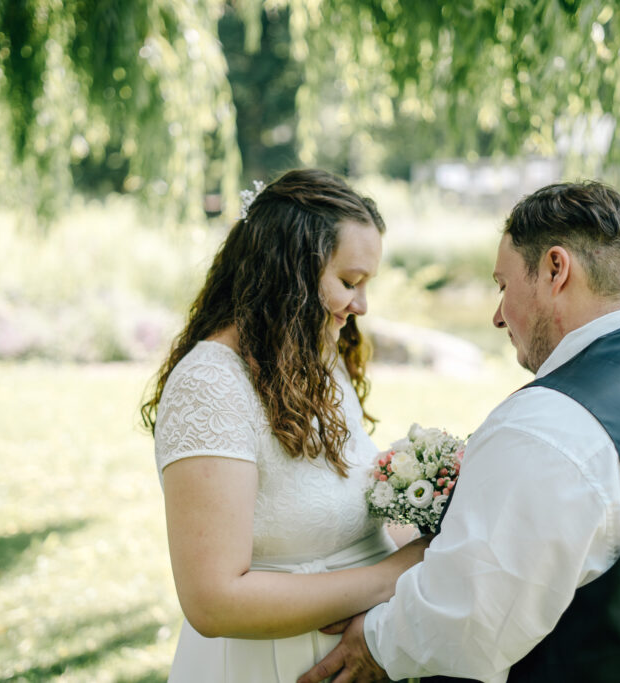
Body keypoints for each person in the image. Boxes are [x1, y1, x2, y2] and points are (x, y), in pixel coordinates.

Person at [299, 181, 620, 683]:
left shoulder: (548, 423)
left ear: (555, 270)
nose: (497, 316)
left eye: (503, 285)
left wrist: (376, 642)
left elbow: (470, 619)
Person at [140, 169, 429, 682]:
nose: (360, 305)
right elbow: (213, 600)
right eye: (348, 282)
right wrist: (390, 576)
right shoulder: (210, 385)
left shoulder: (316, 360)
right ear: (291, 270)